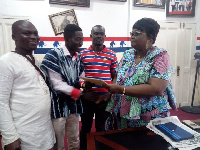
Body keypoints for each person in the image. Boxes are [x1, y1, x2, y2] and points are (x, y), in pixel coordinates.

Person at [105, 18, 177, 129]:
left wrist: (121, 89)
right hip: (124, 112)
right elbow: (117, 75)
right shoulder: (128, 54)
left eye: (137, 34)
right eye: (132, 33)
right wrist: (111, 88)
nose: (132, 37)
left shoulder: (160, 56)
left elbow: (156, 88)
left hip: (149, 116)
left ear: (150, 37)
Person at [0, 20, 55, 150]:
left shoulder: (35, 61)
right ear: (14, 37)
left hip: (43, 131)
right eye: (26, 33)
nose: (33, 37)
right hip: (24, 135)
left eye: (36, 33)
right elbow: (1, 101)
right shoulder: (6, 62)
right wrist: (10, 137)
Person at [40, 24, 84, 150]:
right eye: (77, 39)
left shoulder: (78, 56)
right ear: (67, 38)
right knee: (58, 142)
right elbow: (56, 84)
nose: (81, 43)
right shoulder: (53, 55)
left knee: (74, 139)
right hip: (58, 106)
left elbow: (81, 76)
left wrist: (84, 84)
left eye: (82, 39)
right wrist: (79, 93)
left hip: (73, 106)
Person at [79, 25, 118, 150]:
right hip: (88, 98)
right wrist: (83, 86)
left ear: (105, 37)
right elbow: (78, 75)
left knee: (102, 127)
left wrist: (110, 92)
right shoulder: (82, 54)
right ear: (91, 36)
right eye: (96, 34)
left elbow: (115, 75)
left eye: (101, 34)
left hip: (104, 98)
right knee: (85, 127)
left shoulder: (111, 54)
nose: (99, 36)